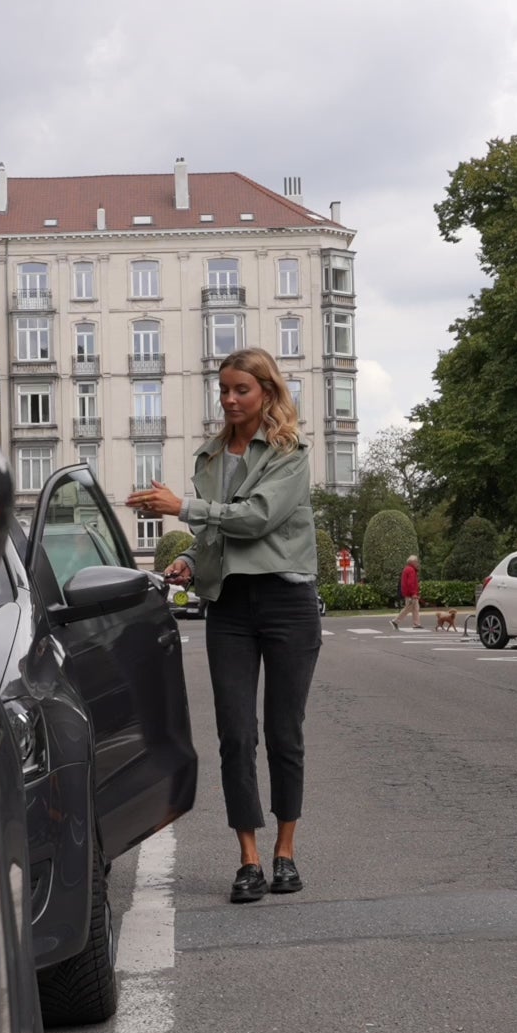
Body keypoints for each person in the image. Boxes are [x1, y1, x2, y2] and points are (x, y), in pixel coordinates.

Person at [126, 348, 321, 903]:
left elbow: (258, 517)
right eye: (225, 390)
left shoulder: (289, 453)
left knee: (285, 734)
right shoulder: (209, 457)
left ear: (266, 392)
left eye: (242, 390)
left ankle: (285, 852)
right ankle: (249, 859)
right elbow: (220, 536)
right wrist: (192, 560)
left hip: (287, 602)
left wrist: (183, 508)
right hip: (230, 606)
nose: (231, 400)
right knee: (235, 736)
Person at [392, 553, 422, 630]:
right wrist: (414, 593)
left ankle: (416, 623)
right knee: (408, 608)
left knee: (415, 608)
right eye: (416, 562)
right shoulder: (411, 570)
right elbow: (410, 583)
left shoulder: (408, 569)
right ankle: (395, 621)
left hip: (409, 593)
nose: (417, 563)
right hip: (410, 594)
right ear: (412, 562)